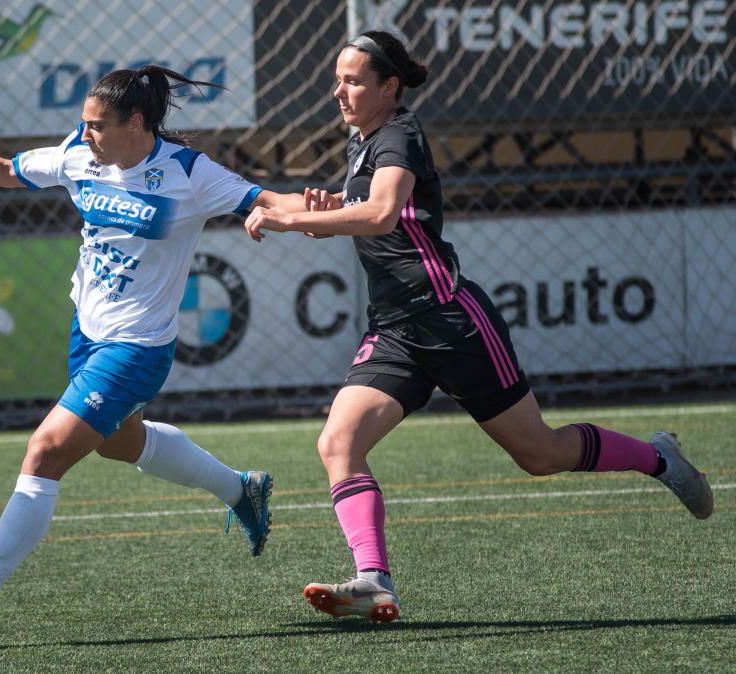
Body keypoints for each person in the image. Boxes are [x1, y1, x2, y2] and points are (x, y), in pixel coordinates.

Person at [244, 30, 714, 624]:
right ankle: (374, 581)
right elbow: (368, 210)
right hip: (395, 330)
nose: (339, 90)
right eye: (337, 79)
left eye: (353, 80)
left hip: (450, 321)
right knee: (339, 442)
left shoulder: (399, 134)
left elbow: (383, 212)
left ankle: (658, 458)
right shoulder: (363, 142)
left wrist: (298, 222)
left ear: (389, 88)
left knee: (540, 454)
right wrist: (303, 210)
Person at [0, 65, 308, 641]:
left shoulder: (187, 173)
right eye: (84, 124)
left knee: (46, 450)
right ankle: (240, 488)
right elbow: (5, 169)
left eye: (98, 125)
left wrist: (298, 207)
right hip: (88, 334)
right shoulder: (81, 154)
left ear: (138, 123)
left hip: (138, 347)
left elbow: (270, 196)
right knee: (122, 445)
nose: (86, 134)